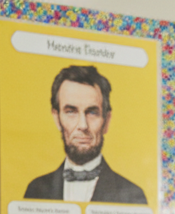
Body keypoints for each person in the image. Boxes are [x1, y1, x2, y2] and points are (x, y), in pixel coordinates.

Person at [23, 65, 147, 204]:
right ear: (57, 118)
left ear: (106, 121)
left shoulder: (133, 196)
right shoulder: (36, 191)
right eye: (71, 111)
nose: (83, 125)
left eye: (92, 112)